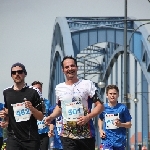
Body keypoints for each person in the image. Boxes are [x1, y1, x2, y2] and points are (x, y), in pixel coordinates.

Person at [45, 56, 104, 150]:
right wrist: (51, 117)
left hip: (86, 135)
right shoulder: (59, 88)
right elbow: (60, 107)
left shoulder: (87, 84)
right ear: (63, 70)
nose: (70, 69)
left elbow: (100, 106)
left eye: (72, 66)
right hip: (67, 135)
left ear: (77, 67)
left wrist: (88, 117)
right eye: (67, 67)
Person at [0, 62, 44, 150]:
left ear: (25, 74)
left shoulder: (34, 92)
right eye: (14, 73)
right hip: (13, 138)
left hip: (30, 138)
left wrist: (32, 108)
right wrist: (5, 118)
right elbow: (8, 112)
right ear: (11, 75)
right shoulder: (7, 92)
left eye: (20, 72)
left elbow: (40, 117)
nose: (17, 74)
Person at [98, 85, 132, 150]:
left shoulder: (123, 108)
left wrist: (120, 124)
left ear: (118, 95)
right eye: (110, 94)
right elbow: (100, 119)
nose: (112, 96)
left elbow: (129, 124)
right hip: (107, 140)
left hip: (120, 141)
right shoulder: (103, 108)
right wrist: (100, 130)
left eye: (114, 94)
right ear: (106, 95)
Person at [31, 80, 51, 150]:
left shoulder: (47, 102)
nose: (37, 90)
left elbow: (50, 115)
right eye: (35, 89)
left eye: (39, 88)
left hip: (44, 132)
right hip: (33, 133)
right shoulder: (29, 103)